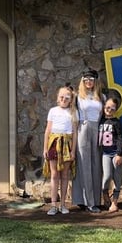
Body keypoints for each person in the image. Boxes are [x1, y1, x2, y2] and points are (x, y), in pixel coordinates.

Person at [71, 69, 105, 213]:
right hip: (83, 128)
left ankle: (95, 200)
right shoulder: (78, 97)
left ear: (95, 81)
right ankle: (85, 200)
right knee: (83, 164)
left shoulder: (101, 97)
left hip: (97, 128)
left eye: (91, 79)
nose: (88, 82)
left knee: (96, 164)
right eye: (85, 80)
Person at [42, 86, 77, 215]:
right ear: (57, 98)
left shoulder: (73, 112)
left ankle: (63, 204)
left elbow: (74, 133)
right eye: (61, 97)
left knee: (64, 175)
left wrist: (73, 151)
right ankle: (53, 205)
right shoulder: (52, 111)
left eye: (67, 97)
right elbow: (47, 130)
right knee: (54, 174)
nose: (64, 99)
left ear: (70, 99)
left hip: (67, 144)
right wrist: (45, 147)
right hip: (54, 143)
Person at [97, 95, 122, 212]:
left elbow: (120, 138)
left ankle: (114, 203)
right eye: (107, 107)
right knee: (107, 176)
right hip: (105, 154)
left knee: (117, 179)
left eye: (112, 108)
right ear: (104, 107)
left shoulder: (116, 122)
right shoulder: (101, 121)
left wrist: (119, 154)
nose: (109, 110)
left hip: (115, 153)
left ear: (116, 110)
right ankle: (105, 195)